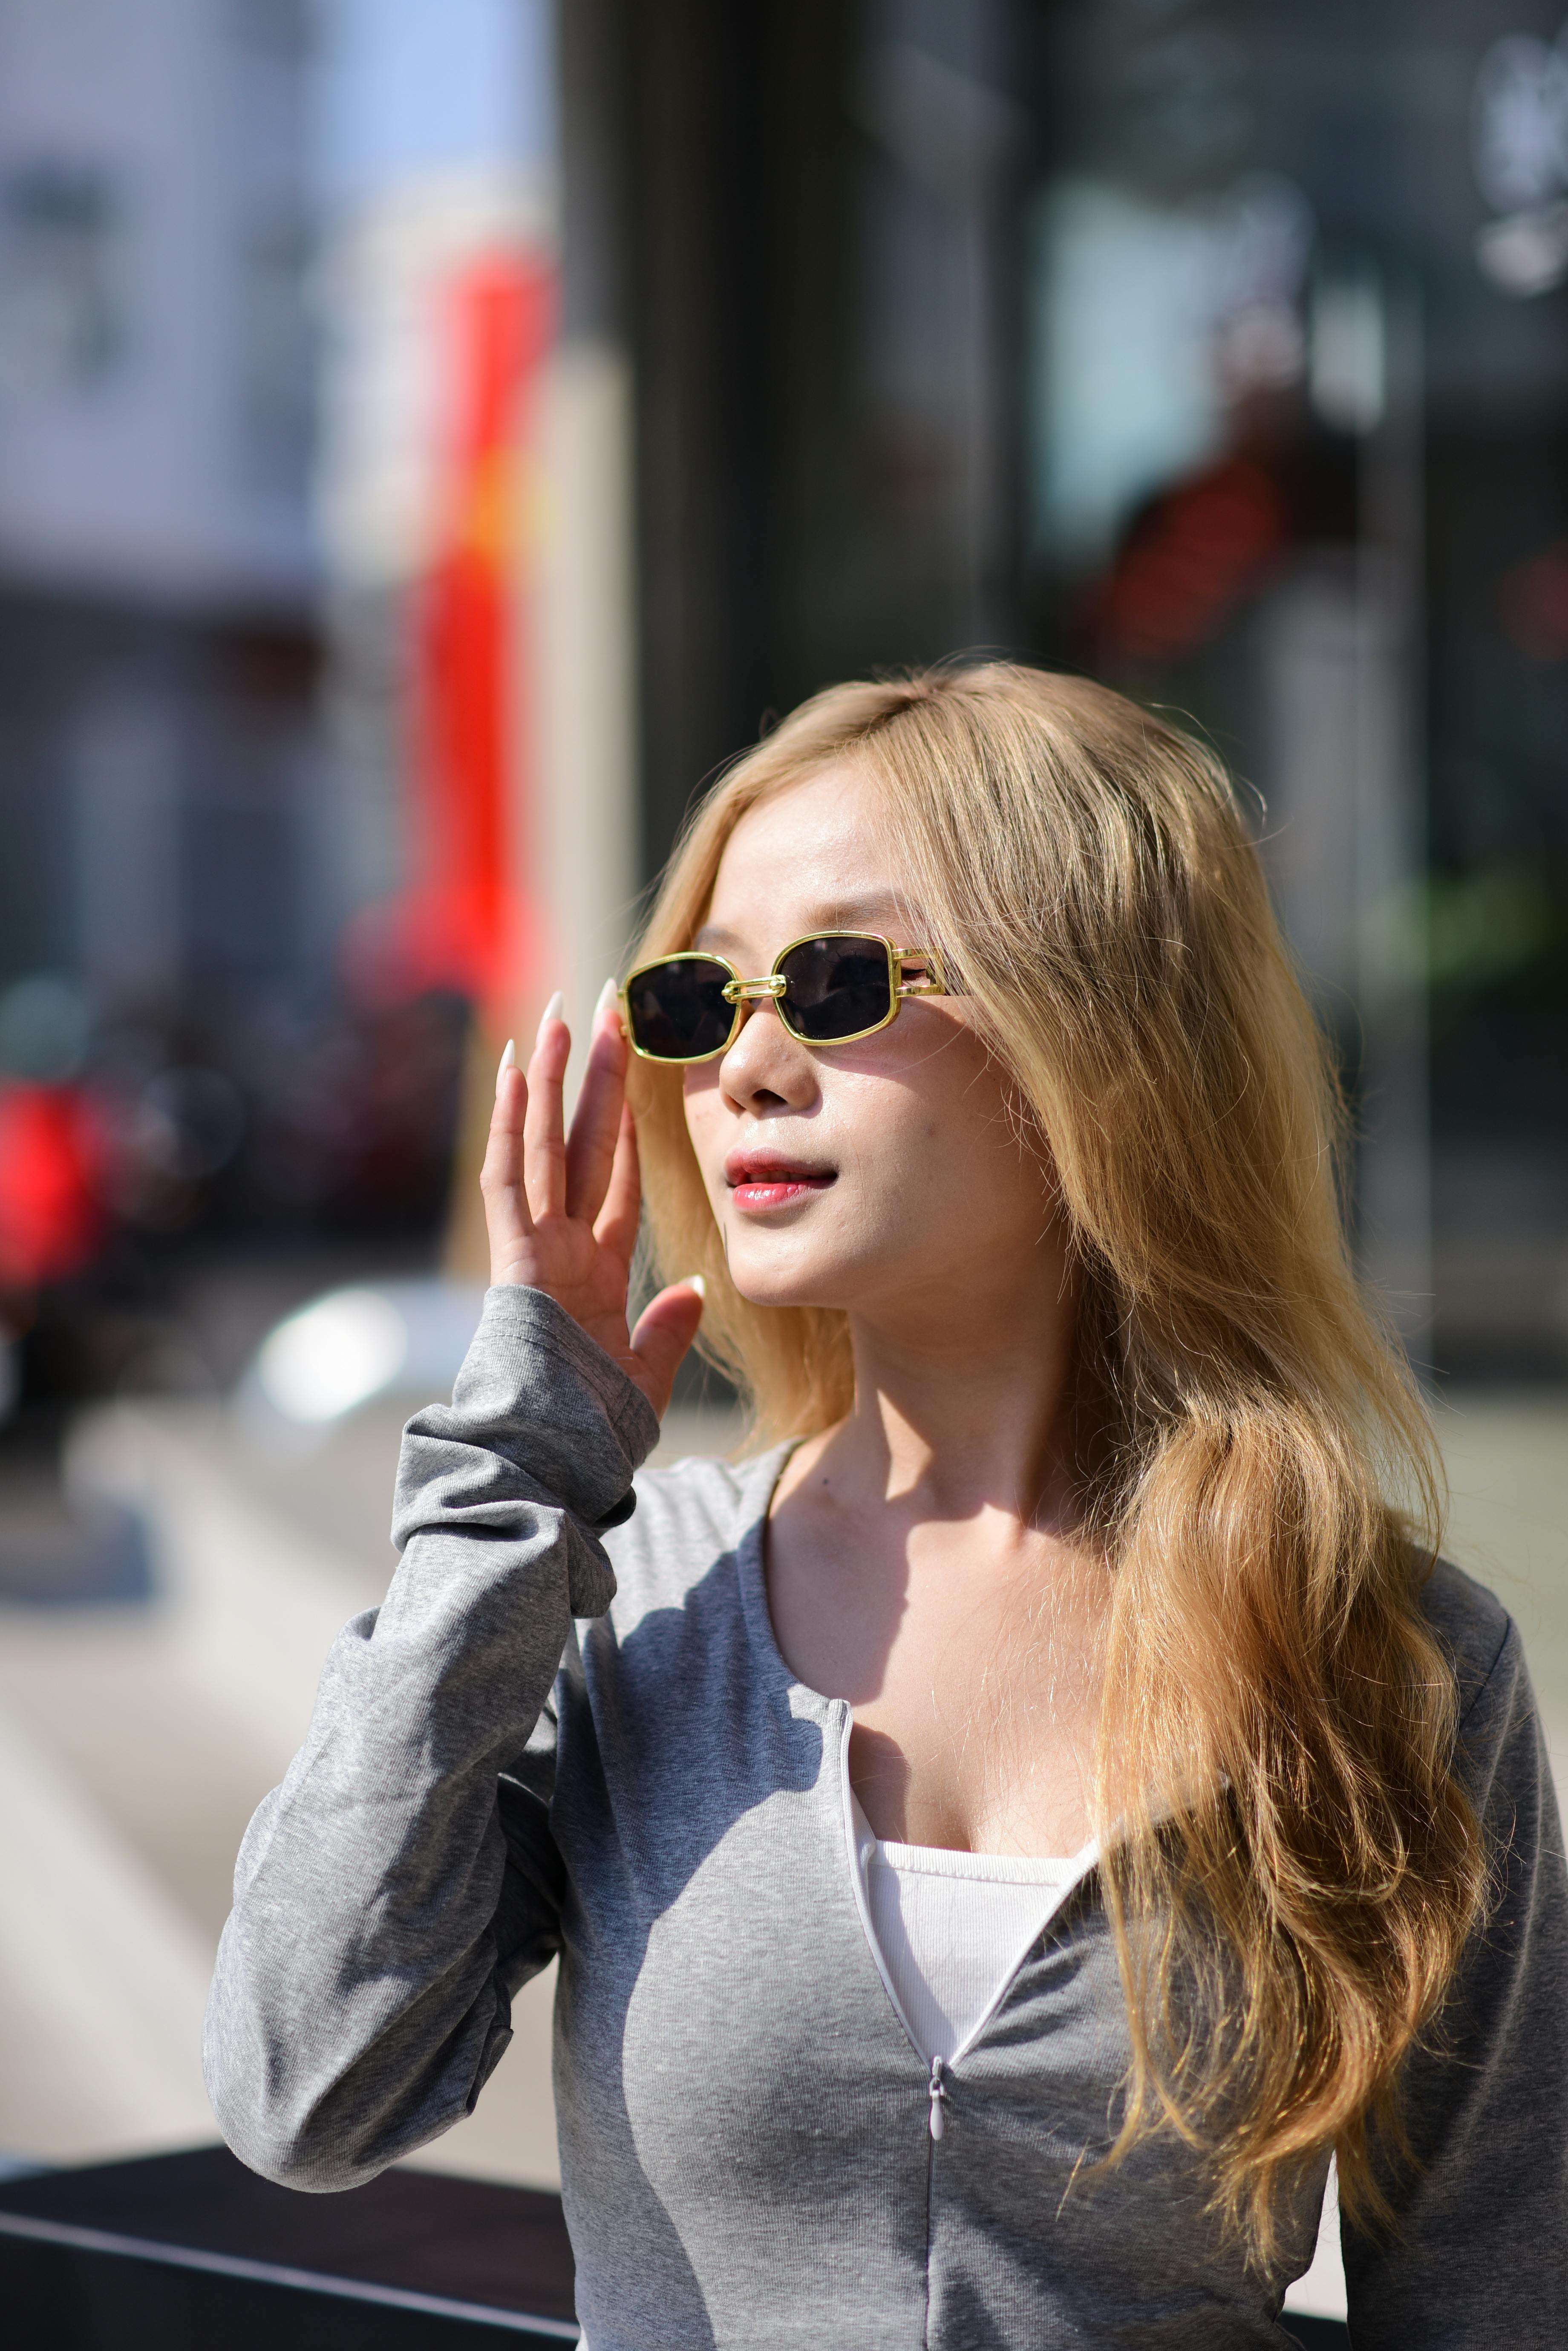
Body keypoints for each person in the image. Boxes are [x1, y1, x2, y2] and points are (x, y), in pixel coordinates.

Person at [205, 664, 1566, 2348]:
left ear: (1094, 1035)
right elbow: (305, 2085)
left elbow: (1493, 2301)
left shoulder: (1388, 1661)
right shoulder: (628, 1598)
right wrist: (503, 1482)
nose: (749, 1068)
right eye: (702, 1003)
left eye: (839, 983)